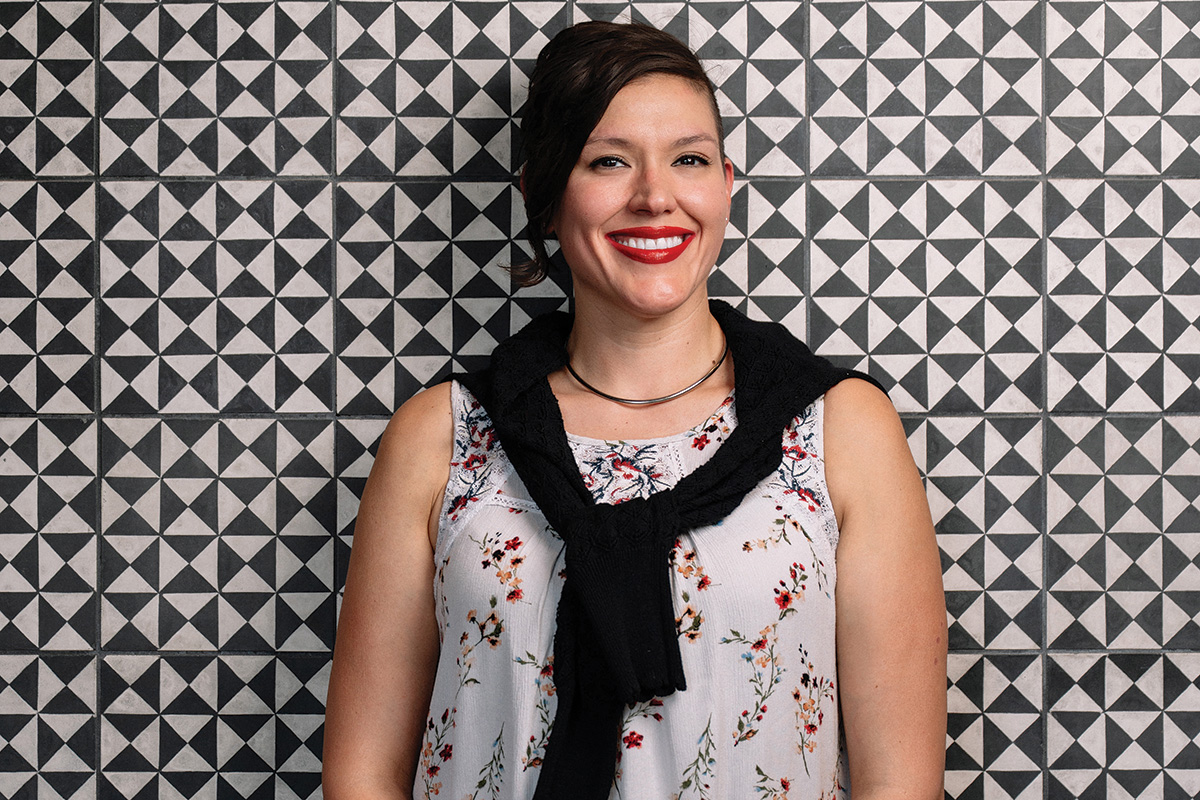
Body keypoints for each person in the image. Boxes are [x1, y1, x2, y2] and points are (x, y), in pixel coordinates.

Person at [322, 20, 946, 800]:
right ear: (544, 197)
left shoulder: (840, 428)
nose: (655, 197)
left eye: (688, 160)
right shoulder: (439, 435)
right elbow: (361, 776)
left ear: (725, 184)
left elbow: (901, 783)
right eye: (609, 161)